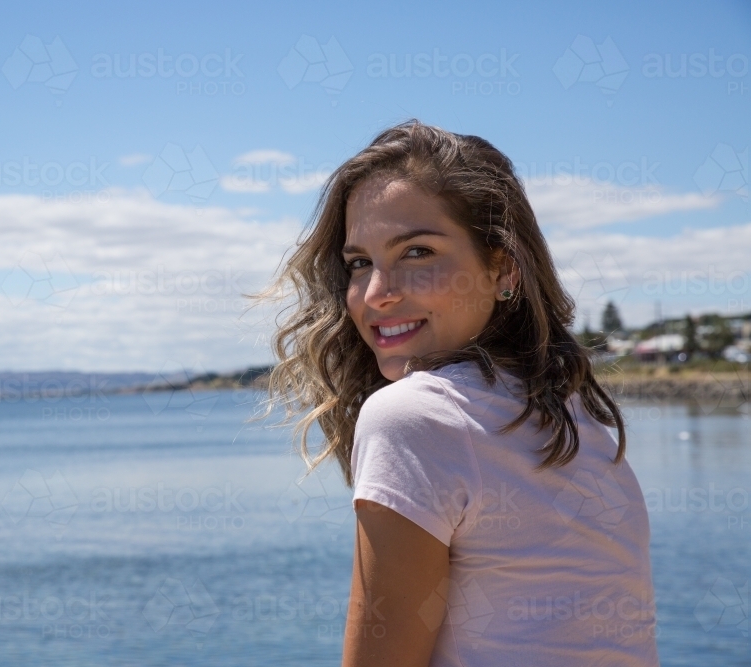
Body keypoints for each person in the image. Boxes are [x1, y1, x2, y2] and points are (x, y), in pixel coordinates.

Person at [255, 120, 659, 666]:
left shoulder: (413, 417)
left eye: (417, 252)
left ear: (502, 268)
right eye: (359, 263)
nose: (376, 293)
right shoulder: (575, 415)